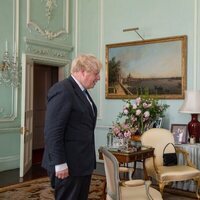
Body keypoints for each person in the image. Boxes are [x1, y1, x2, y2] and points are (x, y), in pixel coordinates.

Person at [42, 54, 102, 200]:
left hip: (81, 163)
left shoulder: (81, 91)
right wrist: (60, 163)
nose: (98, 78)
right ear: (82, 71)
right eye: (96, 73)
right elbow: (52, 131)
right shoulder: (63, 90)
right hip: (68, 164)